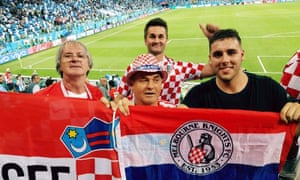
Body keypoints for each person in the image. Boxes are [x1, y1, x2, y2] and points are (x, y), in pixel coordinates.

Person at [181, 28, 300, 179]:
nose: (225, 60)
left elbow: (293, 129)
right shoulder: (196, 96)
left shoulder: (268, 89)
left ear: (242, 55)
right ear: (210, 59)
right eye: (218, 54)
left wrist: (298, 110)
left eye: (231, 52)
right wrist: (174, 120)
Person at [117, 17, 219, 106]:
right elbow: (119, 98)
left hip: (166, 126)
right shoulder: (132, 68)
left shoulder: (179, 68)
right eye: (152, 36)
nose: (157, 41)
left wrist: (215, 41)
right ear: (145, 40)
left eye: (161, 36)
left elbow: (214, 69)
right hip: (139, 125)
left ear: (166, 40)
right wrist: (121, 103)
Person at [35, 40, 105, 102]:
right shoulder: (42, 98)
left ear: (89, 65)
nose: (74, 59)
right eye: (68, 56)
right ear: (59, 65)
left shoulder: (97, 94)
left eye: (80, 56)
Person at [112, 53, 176, 114]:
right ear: (131, 84)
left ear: (161, 84)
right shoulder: (119, 111)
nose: (150, 86)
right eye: (144, 80)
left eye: (156, 80)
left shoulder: (174, 112)